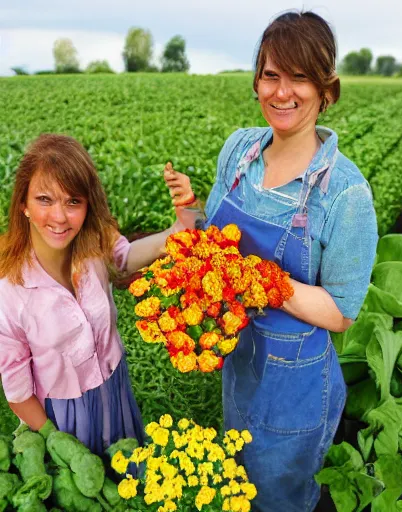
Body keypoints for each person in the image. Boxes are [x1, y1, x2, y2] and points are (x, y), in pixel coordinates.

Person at [164, 10, 378, 512]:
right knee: (237, 481)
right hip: (239, 362)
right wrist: (190, 211)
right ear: (257, 81)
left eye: (300, 76)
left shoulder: (345, 195)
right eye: (271, 74)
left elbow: (343, 313)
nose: (282, 92)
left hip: (295, 383)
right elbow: (215, 244)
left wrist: (270, 282)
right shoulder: (240, 151)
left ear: (327, 89)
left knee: (278, 495)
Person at [0, 134, 191, 455]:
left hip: (114, 387)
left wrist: (185, 208)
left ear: (88, 205)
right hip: (62, 414)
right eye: (45, 199)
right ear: (24, 205)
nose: (60, 217)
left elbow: (133, 254)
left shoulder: (95, 244)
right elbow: (17, 387)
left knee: (127, 472)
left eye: (73, 201)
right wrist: (54, 439)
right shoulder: (9, 290)